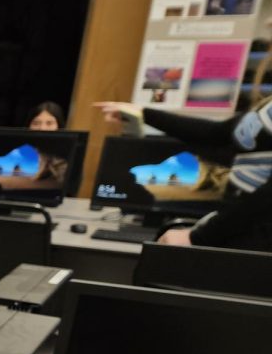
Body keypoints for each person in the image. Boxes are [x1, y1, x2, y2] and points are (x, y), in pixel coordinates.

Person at [95, 100, 272, 251]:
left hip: (255, 238)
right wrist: (144, 114)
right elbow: (217, 133)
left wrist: (199, 237)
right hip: (237, 229)